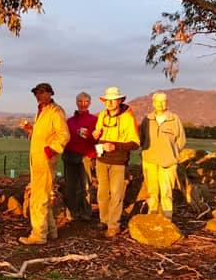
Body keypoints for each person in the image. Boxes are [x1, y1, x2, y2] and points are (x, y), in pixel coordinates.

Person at [18, 83, 70, 245]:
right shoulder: (42, 111)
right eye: (36, 93)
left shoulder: (56, 111)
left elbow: (64, 135)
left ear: (50, 93)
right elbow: (44, 134)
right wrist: (30, 130)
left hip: (45, 160)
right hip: (38, 159)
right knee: (44, 195)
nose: (39, 96)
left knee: (38, 197)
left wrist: (52, 150)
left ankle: (38, 235)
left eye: (42, 93)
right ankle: (51, 231)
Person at [92, 86, 140, 238]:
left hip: (119, 161)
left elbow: (135, 143)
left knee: (117, 193)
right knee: (102, 193)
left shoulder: (128, 118)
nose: (110, 103)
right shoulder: (101, 116)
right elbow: (97, 136)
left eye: (113, 100)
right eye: (108, 100)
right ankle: (104, 220)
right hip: (102, 159)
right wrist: (95, 136)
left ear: (119, 101)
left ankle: (114, 225)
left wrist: (116, 146)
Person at [139, 92, 186, 219]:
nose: (160, 104)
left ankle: (167, 219)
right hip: (150, 161)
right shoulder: (147, 119)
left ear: (167, 102)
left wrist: (173, 154)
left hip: (168, 162)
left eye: (163, 101)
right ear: (153, 103)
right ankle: (152, 216)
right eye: (157, 101)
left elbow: (181, 141)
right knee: (152, 192)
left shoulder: (174, 119)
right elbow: (141, 139)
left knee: (166, 192)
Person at [63, 92, 97, 222]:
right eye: (80, 101)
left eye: (86, 101)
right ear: (76, 102)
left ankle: (86, 213)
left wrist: (91, 154)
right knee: (70, 186)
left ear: (89, 103)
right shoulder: (69, 121)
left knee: (85, 186)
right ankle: (72, 212)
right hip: (70, 156)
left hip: (85, 156)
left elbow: (98, 140)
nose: (83, 104)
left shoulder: (94, 120)